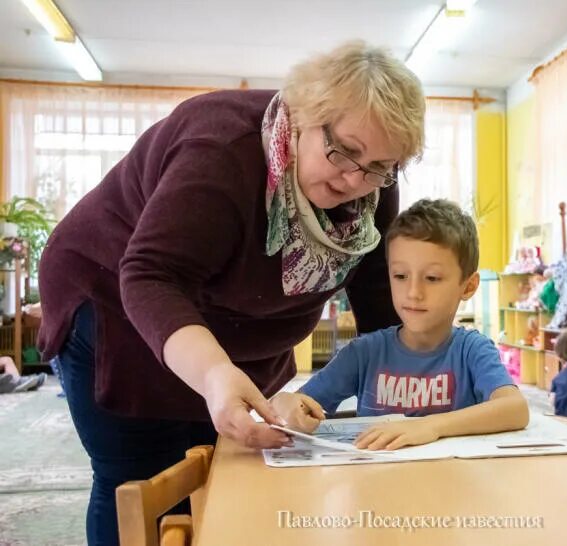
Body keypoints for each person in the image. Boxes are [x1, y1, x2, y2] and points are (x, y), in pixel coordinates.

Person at [36, 41, 425, 545]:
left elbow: (376, 291)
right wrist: (216, 372)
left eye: (379, 165)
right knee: (140, 473)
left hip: (235, 319)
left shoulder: (372, 181)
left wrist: (414, 378)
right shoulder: (222, 151)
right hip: (114, 299)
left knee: (227, 464)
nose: (356, 178)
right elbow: (153, 276)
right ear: (306, 112)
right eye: (344, 151)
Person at [272, 199, 530, 450]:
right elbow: (301, 403)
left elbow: (515, 409)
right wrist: (284, 402)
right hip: (381, 486)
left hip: (452, 485)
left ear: (469, 286)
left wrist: (430, 426)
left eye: (432, 278)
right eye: (400, 276)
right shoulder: (364, 353)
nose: (413, 292)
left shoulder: (472, 350)